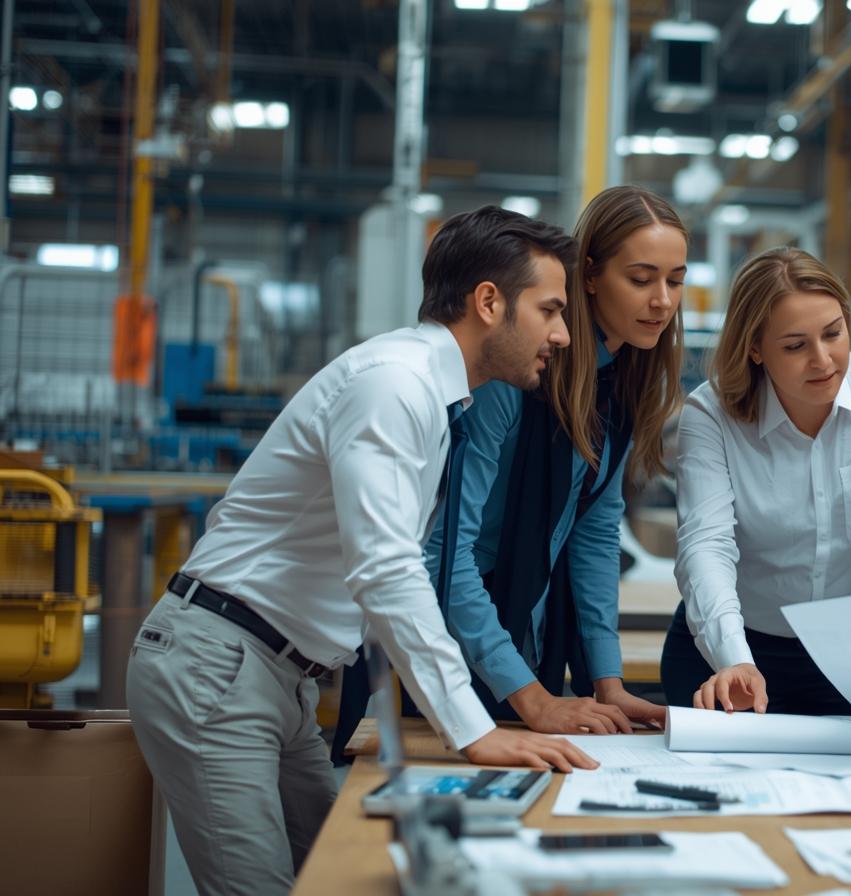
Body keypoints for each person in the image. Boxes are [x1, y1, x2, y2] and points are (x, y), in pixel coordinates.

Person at [126, 206, 598, 896]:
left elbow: (379, 576)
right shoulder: (394, 386)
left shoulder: (434, 399)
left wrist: (420, 728)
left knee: (342, 870)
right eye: (550, 310)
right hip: (219, 666)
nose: (561, 334)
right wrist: (471, 728)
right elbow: (386, 570)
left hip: (276, 675)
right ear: (489, 302)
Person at [420, 185, 685, 733]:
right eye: (640, 279)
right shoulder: (515, 372)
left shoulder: (623, 379)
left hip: (526, 636)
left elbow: (592, 532)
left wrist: (607, 681)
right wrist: (531, 697)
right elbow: (446, 553)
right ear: (587, 275)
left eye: (676, 280)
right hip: (461, 640)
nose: (662, 300)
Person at [665, 246, 851, 718]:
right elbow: (705, 545)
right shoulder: (710, 414)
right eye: (795, 346)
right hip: (734, 653)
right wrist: (734, 660)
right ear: (755, 348)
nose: (823, 360)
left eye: (833, 334)